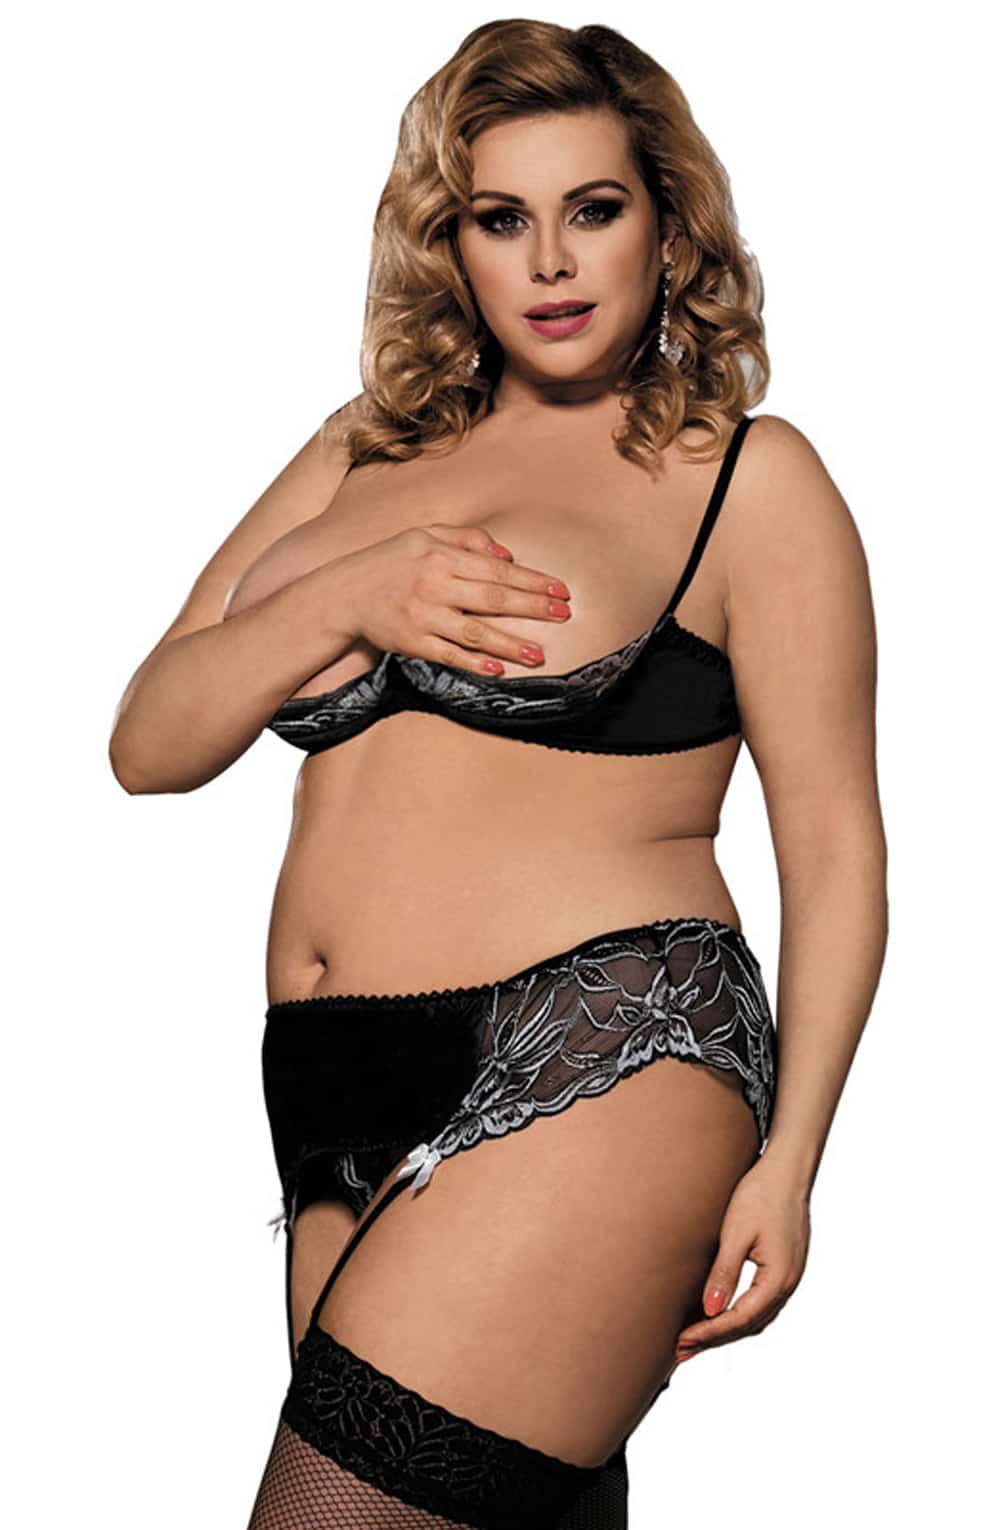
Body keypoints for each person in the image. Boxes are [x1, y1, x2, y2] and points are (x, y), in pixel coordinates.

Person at [109, 18, 888, 1529]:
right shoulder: (363, 452)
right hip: (325, 1085)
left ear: (668, 227)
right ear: (449, 245)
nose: (551, 261)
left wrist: (793, 1158)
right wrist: (351, 593)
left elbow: (837, 852)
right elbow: (150, 739)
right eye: (499, 218)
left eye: (594, 209)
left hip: (606, 1045)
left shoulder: (749, 477)